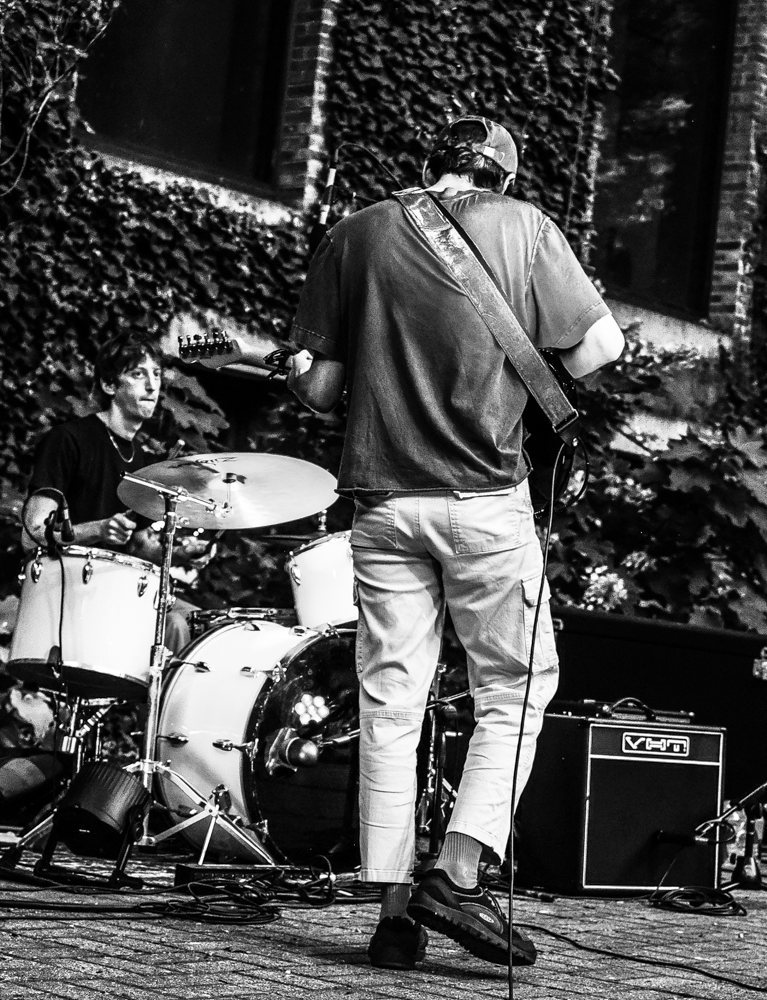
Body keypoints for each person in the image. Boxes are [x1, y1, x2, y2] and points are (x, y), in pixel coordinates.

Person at [287, 116, 624, 969]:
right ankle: (460, 873)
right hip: (484, 503)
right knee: (514, 687)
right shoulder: (525, 227)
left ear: (430, 165)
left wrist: (299, 369)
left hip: (382, 503)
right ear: (501, 178)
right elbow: (600, 346)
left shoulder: (357, 231)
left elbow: (321, 389)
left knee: (391, 702)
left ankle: (394, 913)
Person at [21, 332, 206, 652]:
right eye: (138, 374)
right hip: (68, 589)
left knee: (199, 622)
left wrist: (181, 552)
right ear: (109, 385)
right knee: (174, 625)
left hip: (118, 589)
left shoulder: (144, 461)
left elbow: (137, 544)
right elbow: (33, 532)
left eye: (156, 374)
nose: (152, 386)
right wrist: (99, 529)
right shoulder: (70, 440)